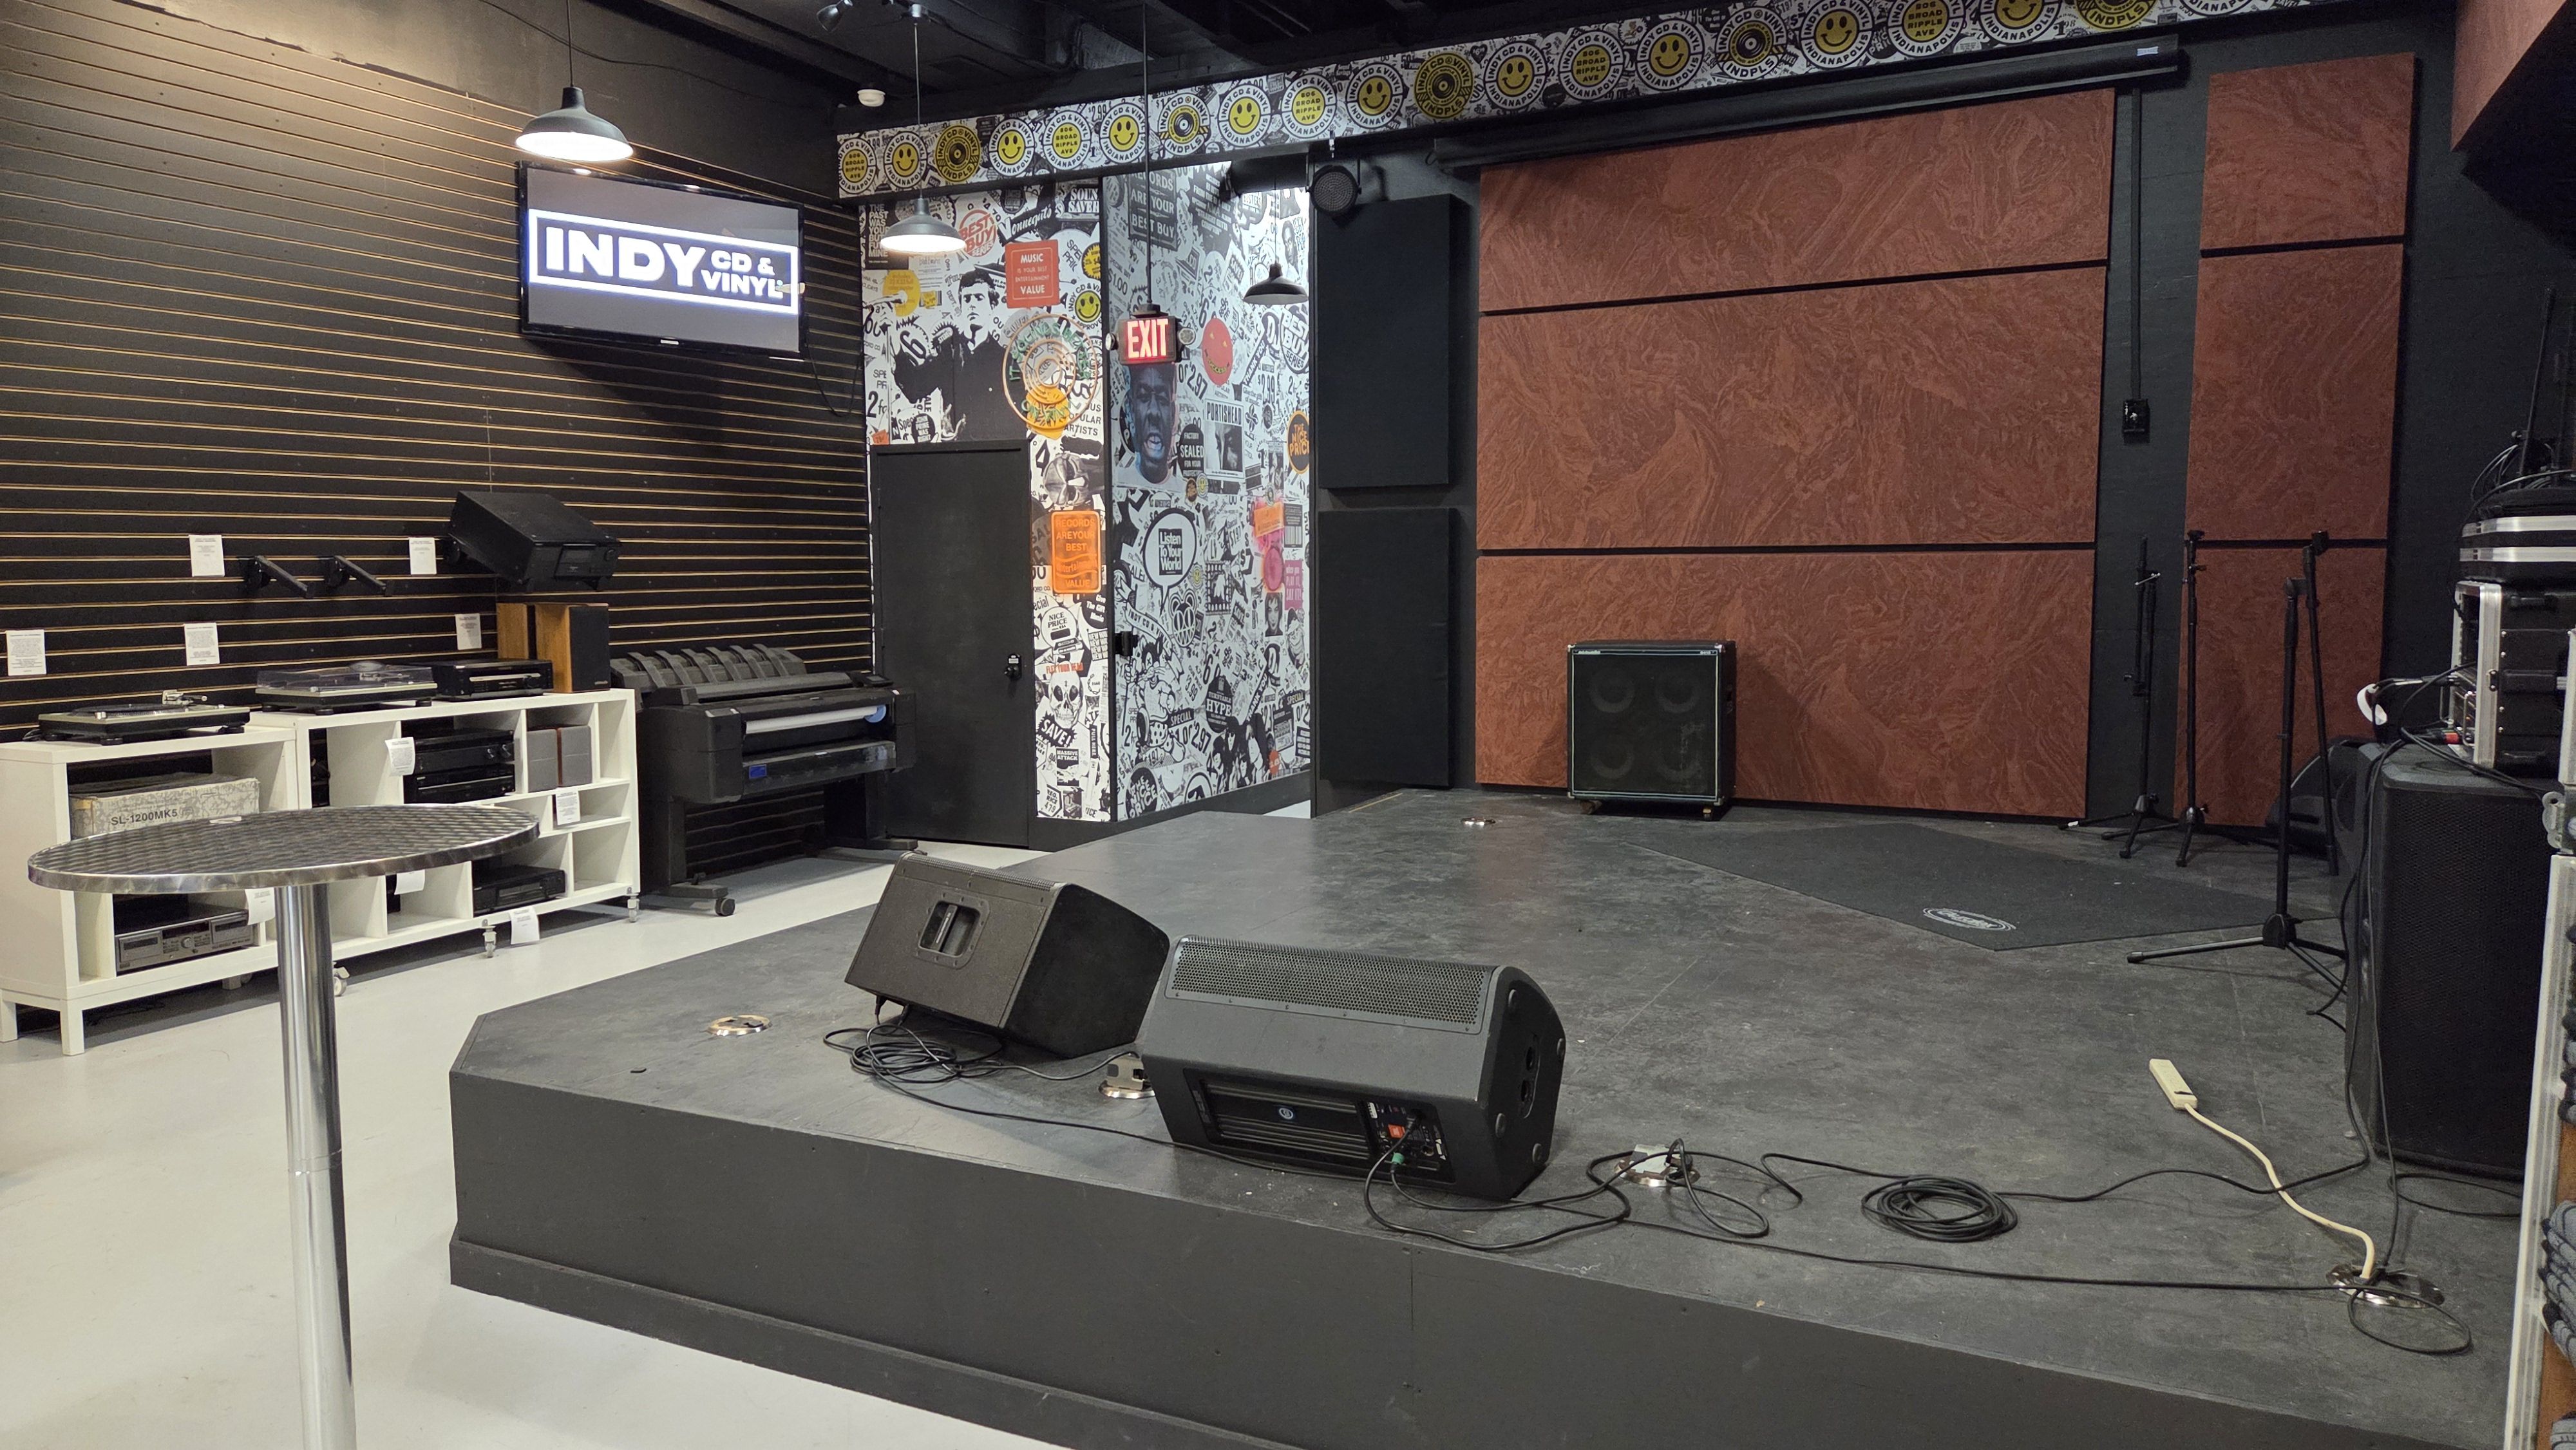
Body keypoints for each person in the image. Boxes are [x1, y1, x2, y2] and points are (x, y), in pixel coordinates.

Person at [1121, 357, 1178, 484]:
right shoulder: (1118, 480)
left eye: (1162, 399)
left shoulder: (1185, 492)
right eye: (1144, 396)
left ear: (1173, 414)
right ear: (1131, 410)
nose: (1154, 412)